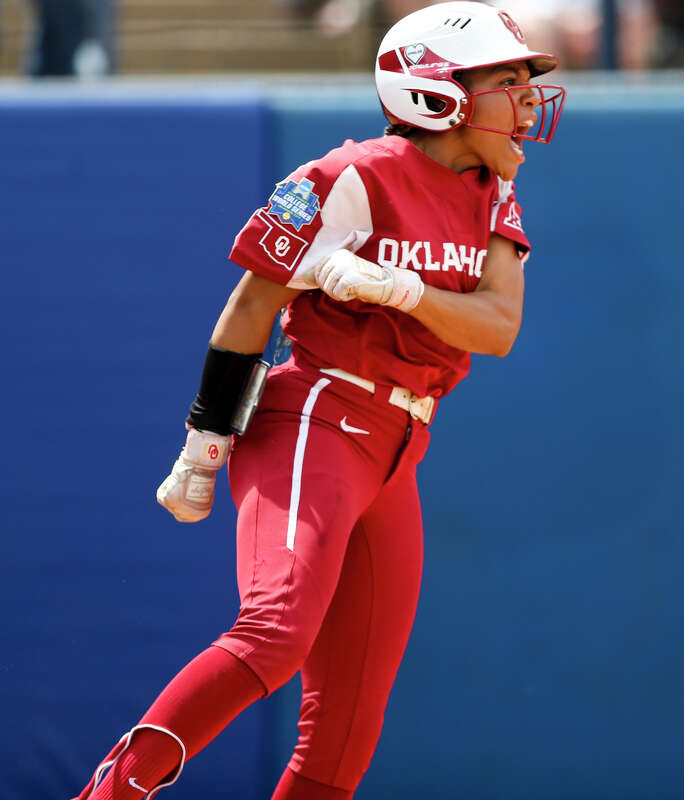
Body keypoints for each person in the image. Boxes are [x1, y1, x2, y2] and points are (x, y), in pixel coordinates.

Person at [72, 2, 565, 798]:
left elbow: (498, 326)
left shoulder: (494, 198)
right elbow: (250, 309)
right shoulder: (348, 178)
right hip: (320, 415)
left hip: (399, 447)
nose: (528, 101)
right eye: (507, 81)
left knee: (346, 730)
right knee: (274, 634)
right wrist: (204, 445)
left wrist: (402, 291)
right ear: (436, 94)